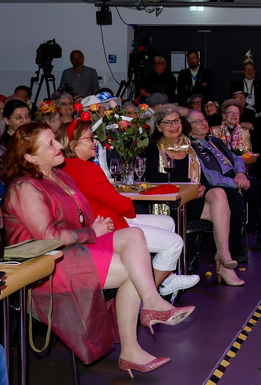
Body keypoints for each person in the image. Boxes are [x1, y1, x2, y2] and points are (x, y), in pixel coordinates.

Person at [1, 123, 194, 374]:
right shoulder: (25, 187)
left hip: (72, 247)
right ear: (29, 156)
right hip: (45, 261)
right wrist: (91, 231)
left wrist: (90, 226)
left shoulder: (58, 175)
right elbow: (47, 237)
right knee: (133, 270)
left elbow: (74, 218)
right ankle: (132, 347)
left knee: (134, 235)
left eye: (55, 140)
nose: (60, 145)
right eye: (50, 144)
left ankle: (151, 302)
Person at [58, 119, 200, 296]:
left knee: (168, 222)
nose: (95, 142)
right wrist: (128, 207)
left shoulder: (64, 167)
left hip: (99, 219)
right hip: (108, 225)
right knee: (175, 243)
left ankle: (167, 280)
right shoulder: (87, 169)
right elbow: (119, 203)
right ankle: (147, 295)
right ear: (73, 144)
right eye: (90, 138)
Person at [143, 104, 243, 284]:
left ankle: (223, 253)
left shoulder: (188, 145)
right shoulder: (154, 148)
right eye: (168, 123)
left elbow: (202, 177)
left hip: (192, 201)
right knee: (221, 206)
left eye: (176, 121)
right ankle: (222, 262)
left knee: (219, 193)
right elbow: (154, 177)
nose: (174, 126)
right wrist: (190, 184)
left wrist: (202, 186)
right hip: (169, 204)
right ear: (158, 126)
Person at [188, 110, 261, 255]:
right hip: (217, 186)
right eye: (198, 121)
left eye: (204, 120)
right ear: (188, 127)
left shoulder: (215, 140)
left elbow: (237, 158)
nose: (203, 123)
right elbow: (207, 176)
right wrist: (234, 183)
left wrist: (240, 173)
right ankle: (232, 248)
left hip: (236, 177)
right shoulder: (190, 148)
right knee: (235, 200)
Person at [230, 52, 261, 174]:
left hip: (258, 119)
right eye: (247, 69)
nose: (249, 72)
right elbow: (234, 101)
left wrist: (254, 109)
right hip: (242, 118)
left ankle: (260, 175)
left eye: (252, 69)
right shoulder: (235, 84)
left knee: (259, 148)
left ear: (255, 71)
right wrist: (246, 109)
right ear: (242, 71)